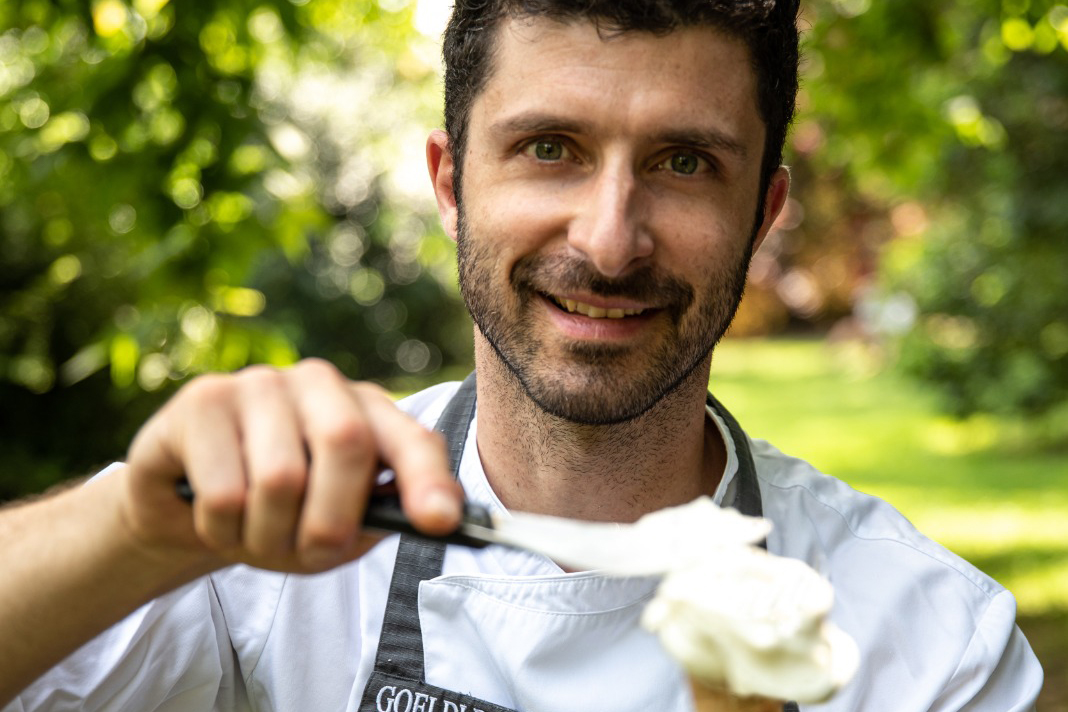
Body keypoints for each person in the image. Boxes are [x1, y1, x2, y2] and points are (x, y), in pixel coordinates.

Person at [0, 1, 1044, 710]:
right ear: (451, 182)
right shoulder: (273, 543)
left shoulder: (930, 642)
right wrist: (133, 526)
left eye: (684, 163)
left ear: (763, 212)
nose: (607, 240)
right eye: (551, 148)